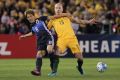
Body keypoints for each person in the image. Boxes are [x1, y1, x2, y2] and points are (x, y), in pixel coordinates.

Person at [47, 3, 96, 75]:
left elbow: (78, 21)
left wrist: (88, 21)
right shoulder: (52, 20)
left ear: (62, 9)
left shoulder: (67, 16)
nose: (58, 9)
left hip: (72, 39)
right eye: (56, 8)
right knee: (56, 53)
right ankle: (54, 71)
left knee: (80, 59)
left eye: (59, 8)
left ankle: (79, 67)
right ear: (54, 9)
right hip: (61, 40)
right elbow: (46, 29)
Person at [19, 9, 68, 76]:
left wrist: (64, 14)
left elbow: (53, 17)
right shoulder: (31, 25)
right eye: (28, 17)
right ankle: (38, 71)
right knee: (39, 54)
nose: (29, 18)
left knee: (49, 50)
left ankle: (55, 58)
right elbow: (32, 33)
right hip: (40, 41)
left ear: (34, 16)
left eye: (30, 16)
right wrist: (24, 36)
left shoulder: (41, 19)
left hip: (48, 37)